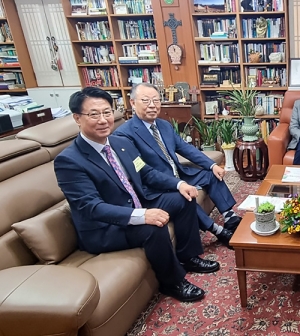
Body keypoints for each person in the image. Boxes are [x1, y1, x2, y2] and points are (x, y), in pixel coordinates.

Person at [54, 87, 220, 302]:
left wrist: (178, 183)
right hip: (106, 227)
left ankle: (188, 257)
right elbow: (90, 207)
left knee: (184, 198)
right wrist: (143, 216)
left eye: (107, 112)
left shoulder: (120, 143)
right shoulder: (70, 161)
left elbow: (145, 172)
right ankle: (173, 282)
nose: (104, 120)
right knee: (153, 227)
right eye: (94, 114)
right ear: (77, 118)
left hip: (137, 203)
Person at [114, 83, 242, 248]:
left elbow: (185, 148)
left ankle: (230, 218)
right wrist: (177, 184)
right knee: (184, 197)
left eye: (156, 100)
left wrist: (212, 165)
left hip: (178, 173)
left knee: (211, 174)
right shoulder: (125, 134)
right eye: (146, 101)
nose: (152, 105)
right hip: (158, 185)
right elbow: (142, 171)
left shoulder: (164, 125)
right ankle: (218, 231)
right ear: (132, 103)